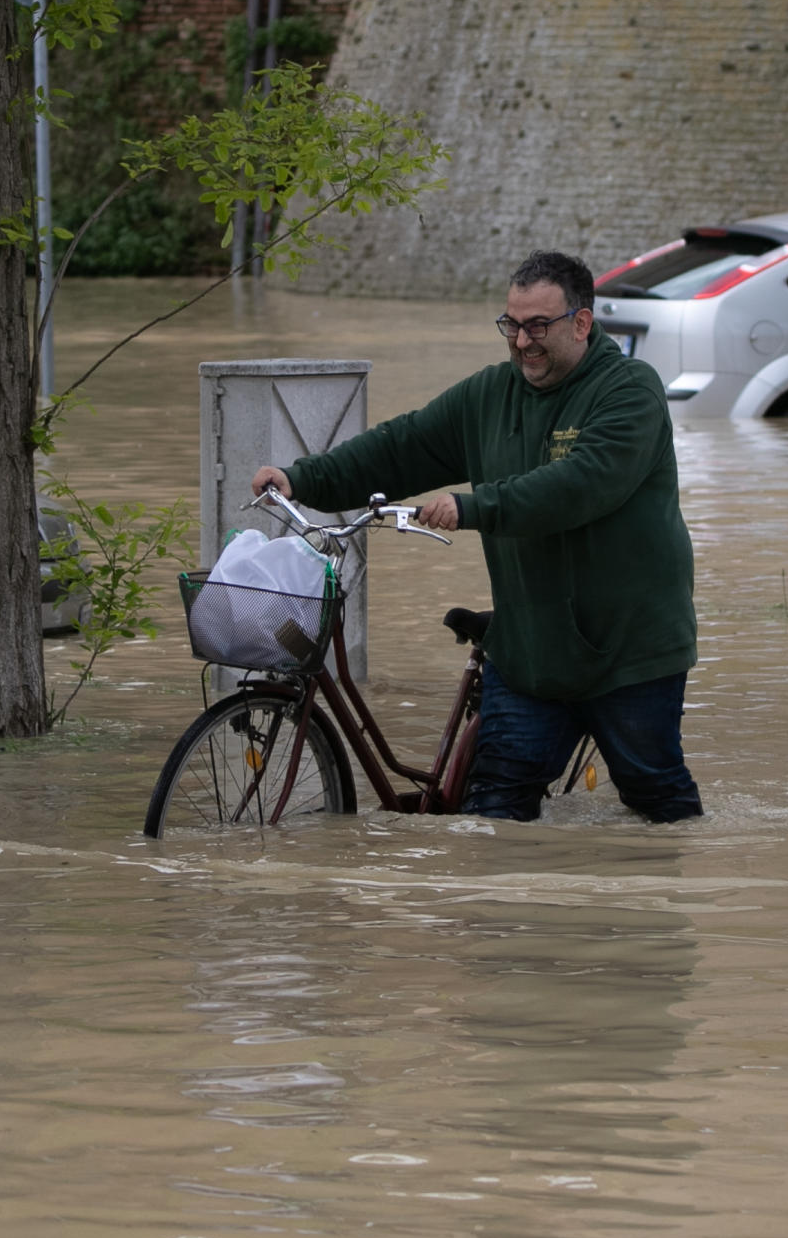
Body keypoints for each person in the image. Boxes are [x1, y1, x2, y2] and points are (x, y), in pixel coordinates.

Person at [251, 250, 703, 824]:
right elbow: (402, 447)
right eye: (511, 325)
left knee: (658, 803)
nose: (522, 342)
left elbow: (581, 485)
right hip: (531, 650)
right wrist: (303, 477)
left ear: (581, 323)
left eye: (538, 326)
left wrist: (473, 506)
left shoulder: (630, 390)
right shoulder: (490, 395)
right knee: (494, 814)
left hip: (629, 652)